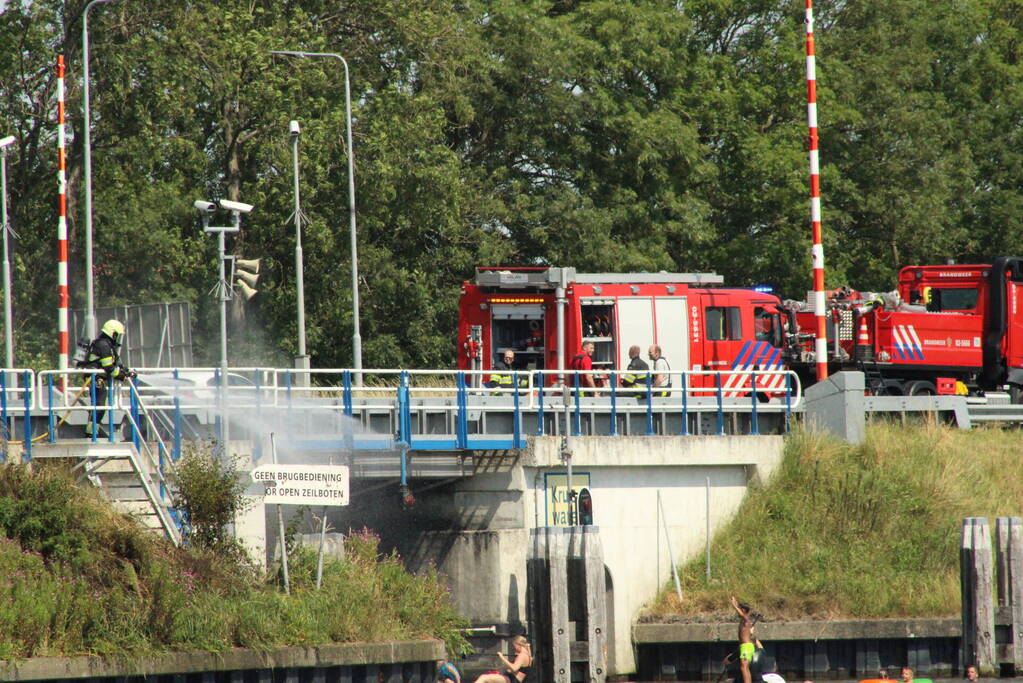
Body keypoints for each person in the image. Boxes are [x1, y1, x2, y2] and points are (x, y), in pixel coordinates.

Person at [78, 319, 136, 437]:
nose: (117, 338)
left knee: (100, 405)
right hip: (95, 379)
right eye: (117, 335)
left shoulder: (106, 344)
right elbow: (109, 367)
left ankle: (92, 432)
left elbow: (115, 364)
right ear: (112, 333)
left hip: (98, 378)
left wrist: (126, 371)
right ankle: (91, 433)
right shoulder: (103, 345)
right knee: (99, 405)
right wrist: (122, 376)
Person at [731, 596, 754, 683]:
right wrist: (736, 602)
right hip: (745, 647)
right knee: (745, 668)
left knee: (743, 667)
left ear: (743, 610)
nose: (738, 611)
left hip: (746, 647)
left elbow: (741, 614)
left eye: (740, 609)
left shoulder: (746, 619)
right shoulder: (744, 619)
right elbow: (741, 613)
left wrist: (734, 605)